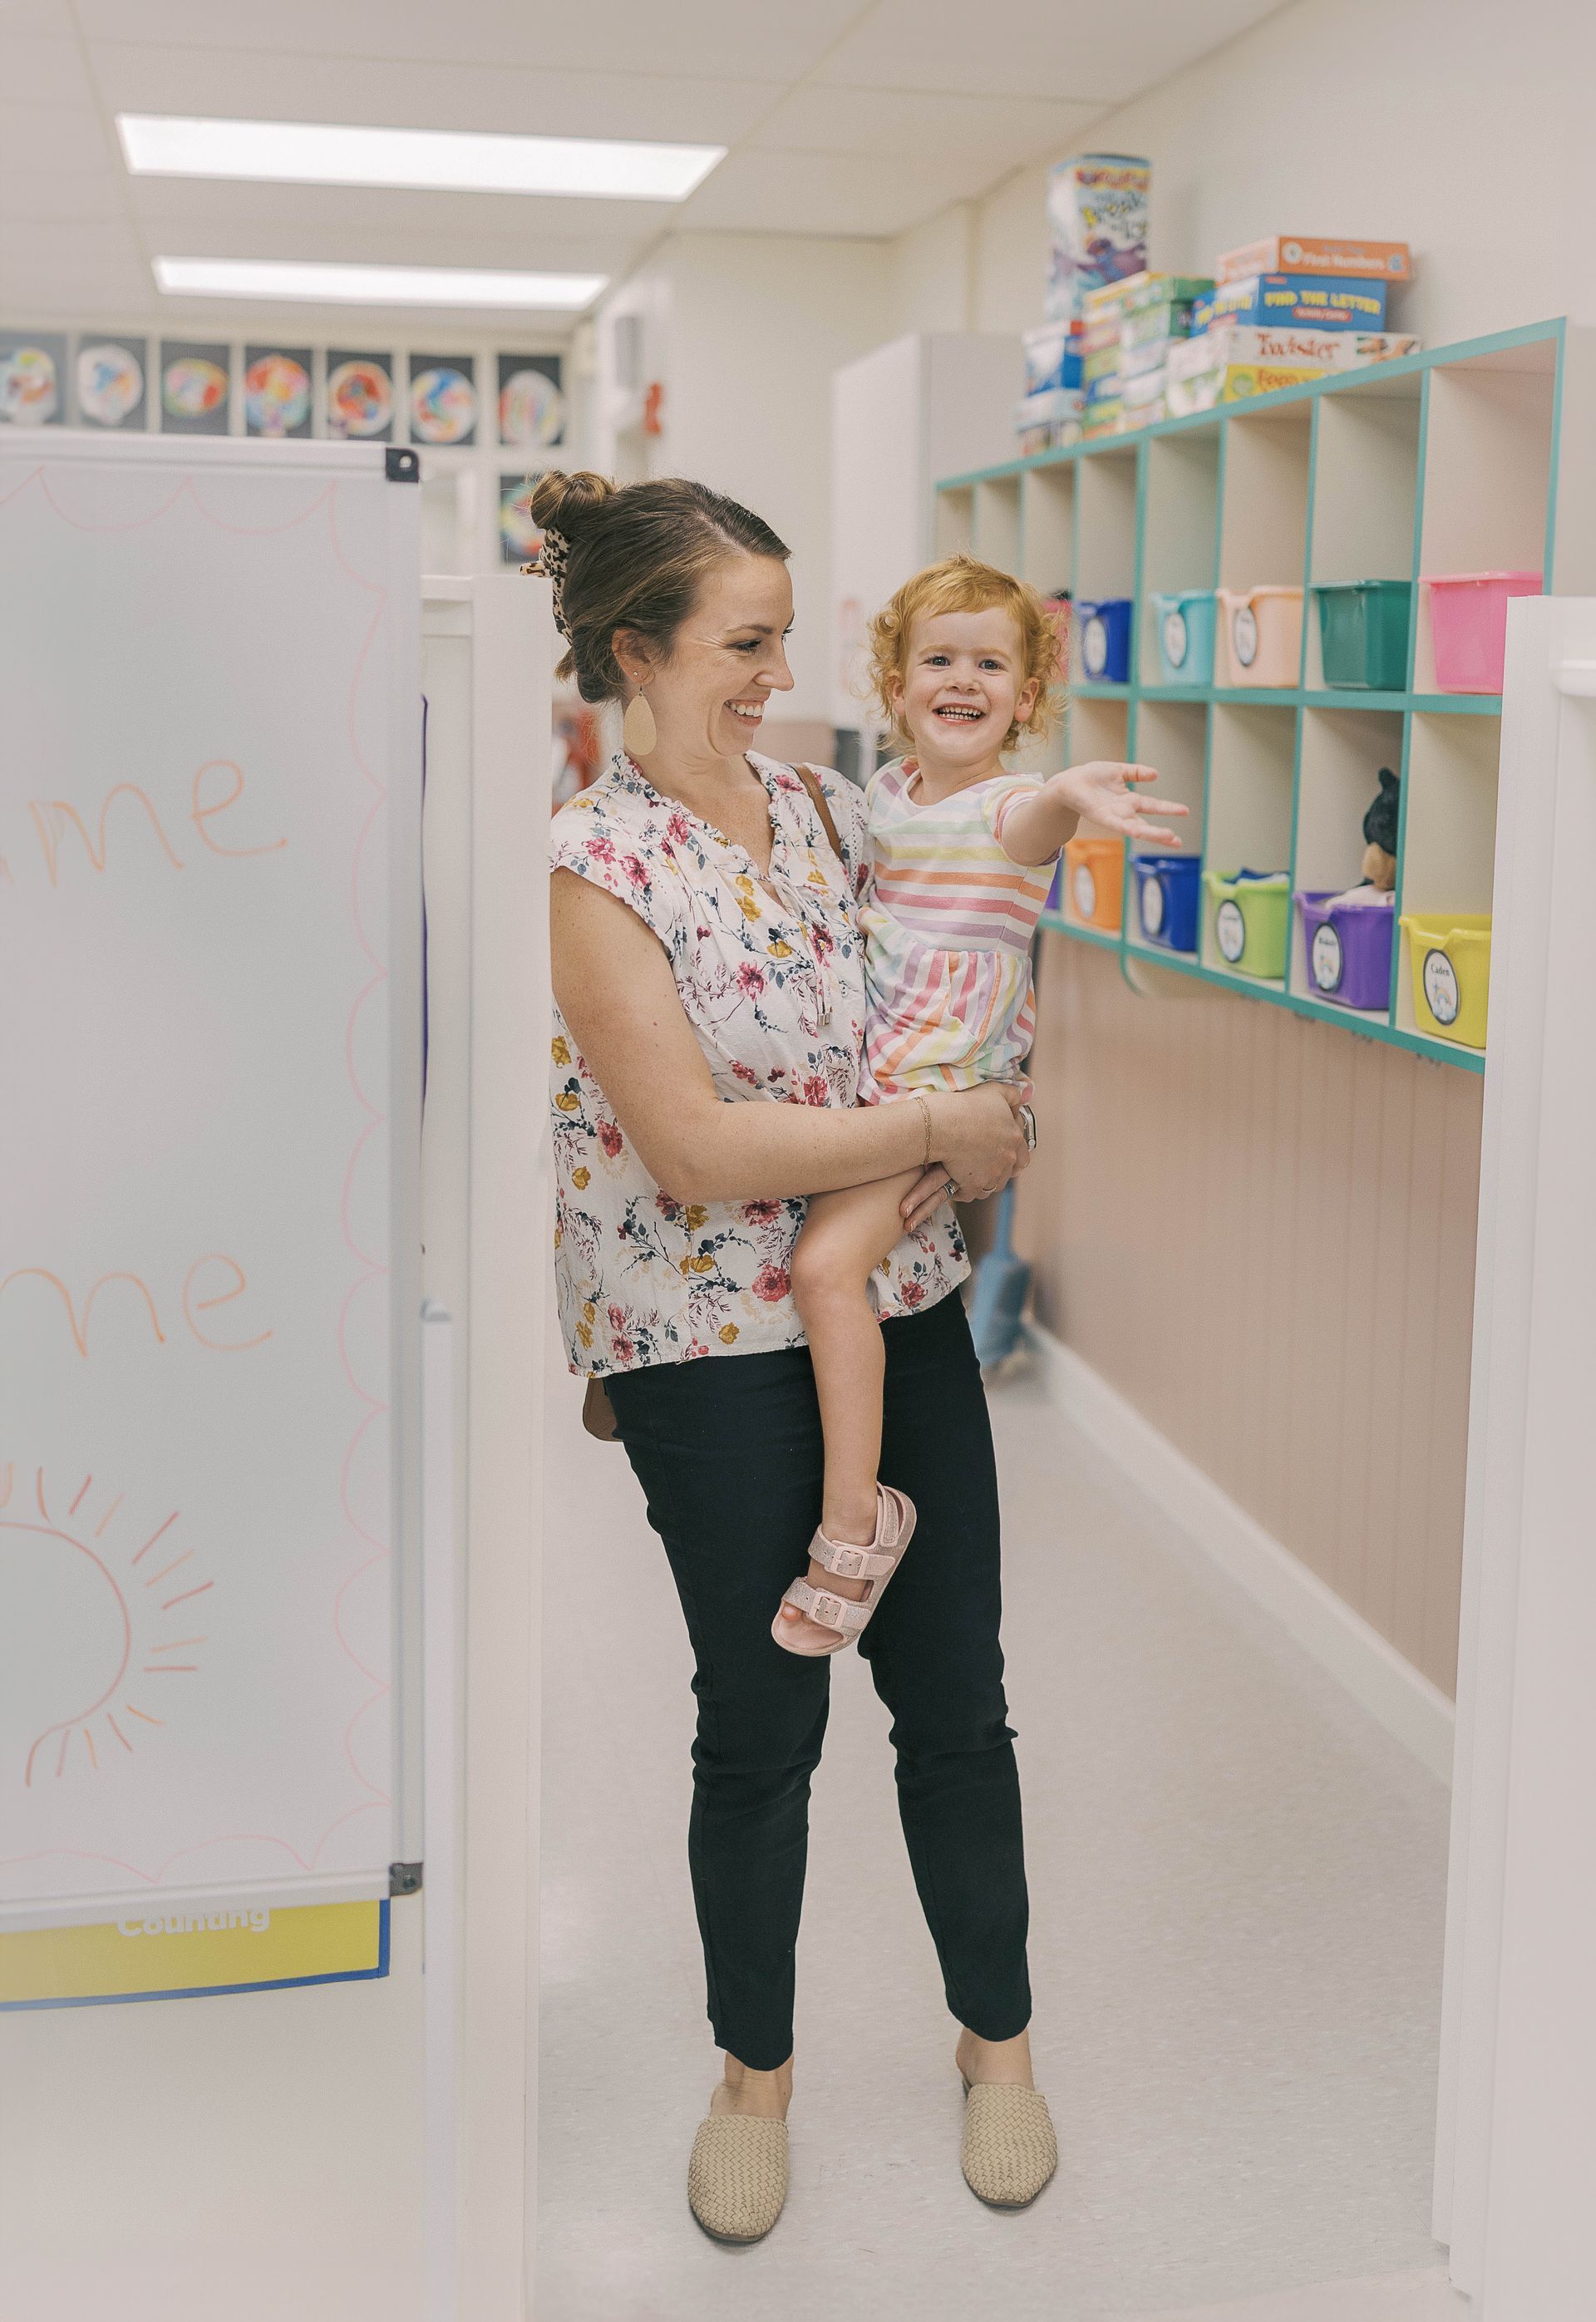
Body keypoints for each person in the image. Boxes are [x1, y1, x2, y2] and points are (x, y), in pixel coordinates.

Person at [542, 470, 1044, 2246]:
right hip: (706, 1343)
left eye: (781, 636)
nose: (775, 671)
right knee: (761, 1721)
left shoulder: (836, 812)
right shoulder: (594, 869)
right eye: (744, 641)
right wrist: (940, 1121)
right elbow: (693, 1150)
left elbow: (962, 975)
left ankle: (1000, 2043)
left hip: (895, 1305)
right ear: (638, 649)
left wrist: (980, 1113)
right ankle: (753, 2072)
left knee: (956, 1700)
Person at [775, 557, 1185, 1655]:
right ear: (896, 683)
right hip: (864, 1097)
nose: (964, 680)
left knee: (824, 1270)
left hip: (935, 1103)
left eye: (990, 663)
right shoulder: (885, 799)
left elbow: (1037, 818)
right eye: (939, 659)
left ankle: (857, 1520)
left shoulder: (1008, 808)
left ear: (1026, 693)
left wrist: (1073, 793)